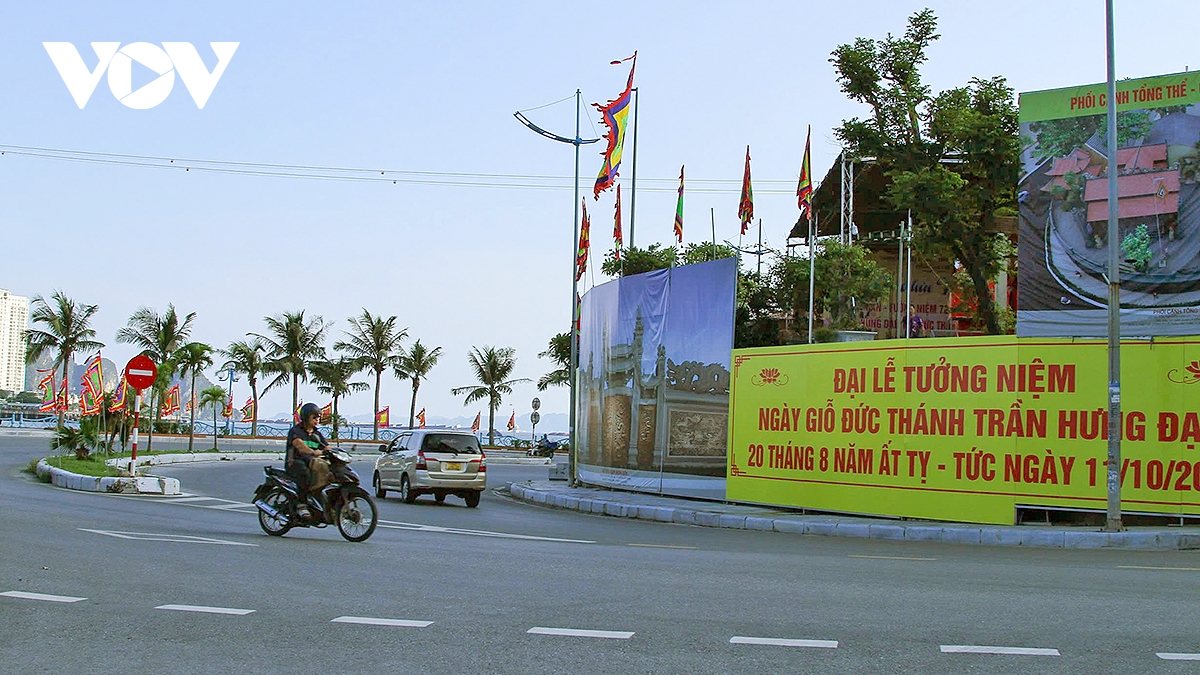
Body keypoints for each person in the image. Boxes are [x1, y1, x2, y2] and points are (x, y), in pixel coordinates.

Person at [287, 402, 329, 519]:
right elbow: (299, 444)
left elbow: (326, 446)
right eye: (314, 417)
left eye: (318, 418)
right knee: (304, 473)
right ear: (306, 418)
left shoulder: (316, 434)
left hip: (311, 462)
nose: (317, 420)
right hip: (294, 462)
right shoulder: (296, 431)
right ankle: (301, 504)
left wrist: (335, 452)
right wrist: (313, 452)